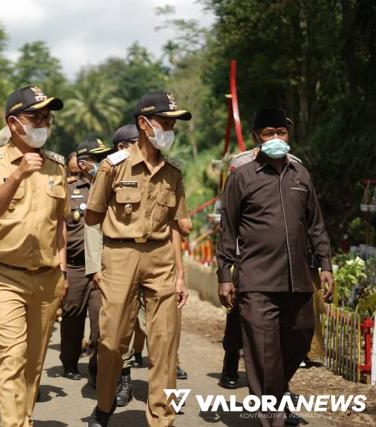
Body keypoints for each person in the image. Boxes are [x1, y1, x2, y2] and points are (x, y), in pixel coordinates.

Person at [216, 108, 334, 427]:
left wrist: (325, 264)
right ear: (257, 137)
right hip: (256, 281)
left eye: (281, 132)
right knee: (264, 355)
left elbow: (316, 225)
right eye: (269, 133)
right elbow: (227, 228)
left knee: (301, 337)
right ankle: (272, 417)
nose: (276, 138)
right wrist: (225, 275)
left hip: (297, 281)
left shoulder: (301, 175)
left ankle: (276, 394)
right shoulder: (242, 177)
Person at [86, 91, 190, 427]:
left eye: (173, 124)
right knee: (113, 340)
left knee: (165, 342)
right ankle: (104, 406)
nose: (169, 129)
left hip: (161, 258)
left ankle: (162, 417)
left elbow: (177, 225)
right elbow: (92, 218)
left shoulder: (173, 173)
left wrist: (180, 275)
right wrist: (97, 265)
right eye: (164, 122)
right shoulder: (112, 167)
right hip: (120, 255)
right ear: (143, 124)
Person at [0, 85, 68, 427]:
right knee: (11, 358)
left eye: (47, 116)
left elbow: (60, 224)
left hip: (48, 278)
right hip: (4, 276)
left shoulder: (57, 166)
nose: (44, 123)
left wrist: (63, 268)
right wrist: (17, 175)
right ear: (13, 123)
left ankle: (22, 418)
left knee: (34, 362)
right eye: (35, 116)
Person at [59, 137, 110, 382]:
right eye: (95, 159)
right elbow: (60, 230)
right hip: (75, 266)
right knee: (71, 318)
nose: (101, 163)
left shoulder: (113, 186)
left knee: (102, 320)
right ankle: (69, 362)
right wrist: (62, 272)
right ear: (82, 162)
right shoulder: (69, 190)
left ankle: (96, 366)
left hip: (103, 266)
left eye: (103, 158)